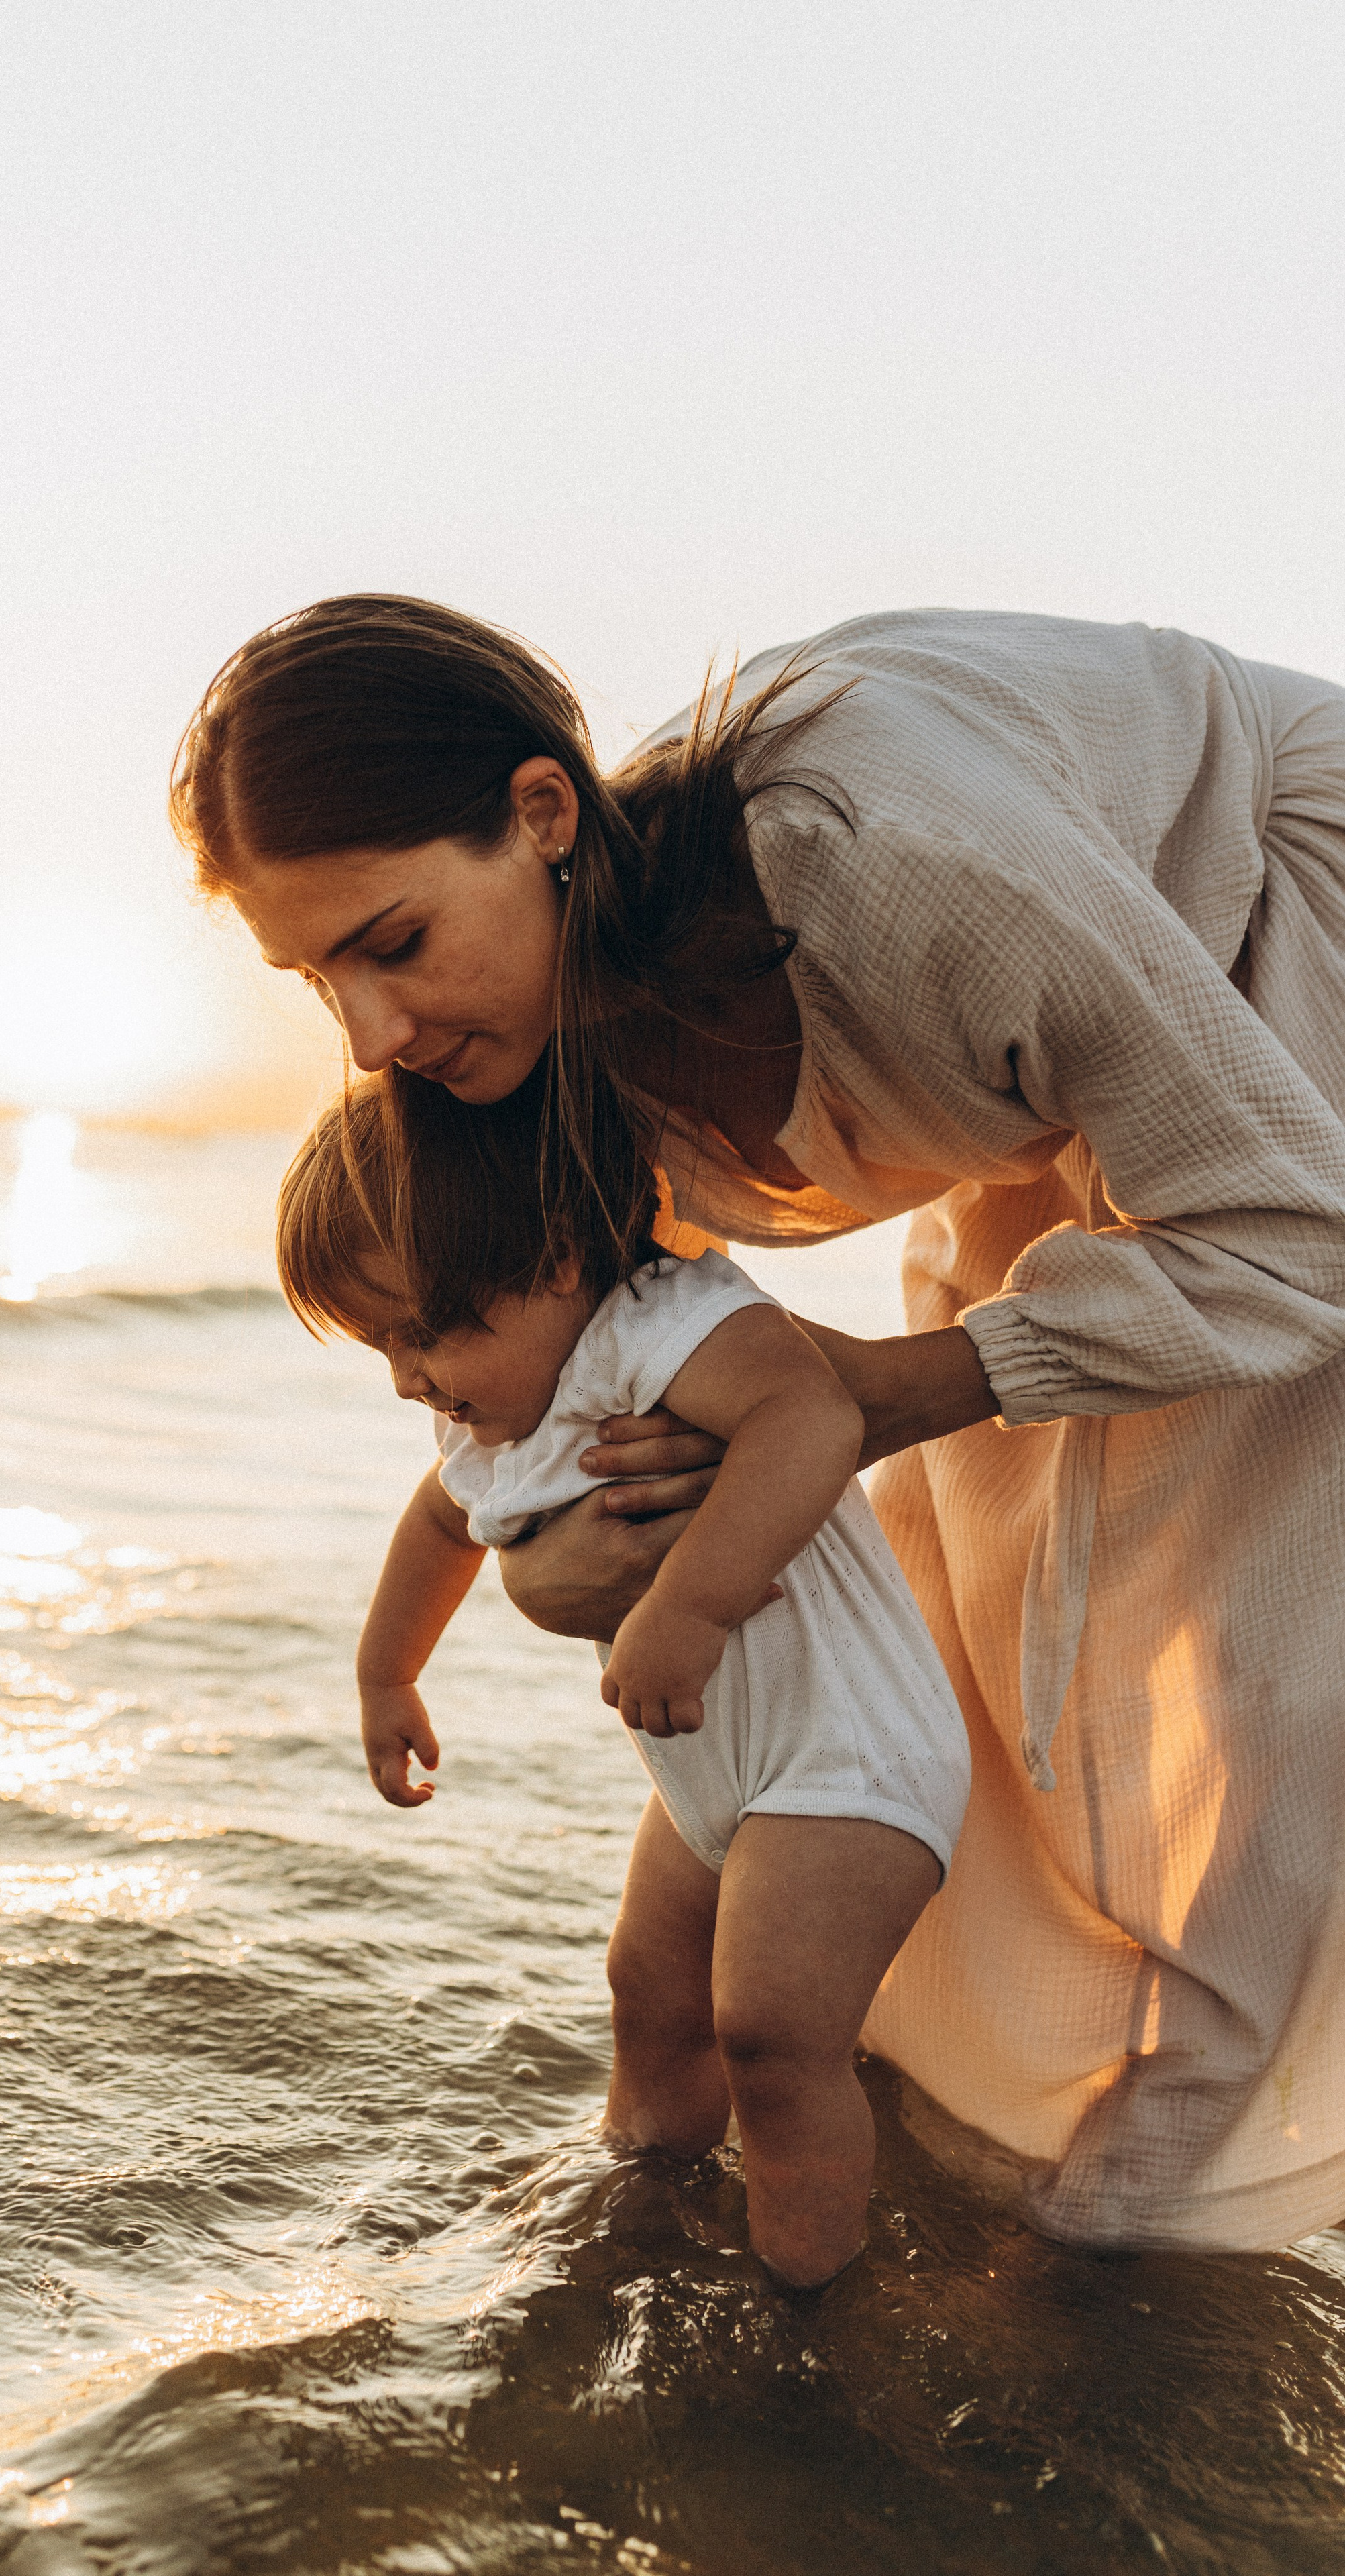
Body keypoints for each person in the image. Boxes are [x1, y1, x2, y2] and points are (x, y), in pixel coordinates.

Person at [172, 595, 1345, 2250]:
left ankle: (1149, 2232)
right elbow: (542, 1397)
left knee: (1244, 1652)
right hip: (1074, 1079)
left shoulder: (891, 859)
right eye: (314, 980)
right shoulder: (528, 1055)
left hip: (1291, 957)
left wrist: (888, 1390)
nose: (368, 1038)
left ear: (539, 816)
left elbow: (1297, 1236)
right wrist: (562, 1556)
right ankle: (932, 2120)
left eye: (393, 942)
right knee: (971, 1589)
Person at [273, 1069, 969, 2285]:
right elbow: (443, 1525)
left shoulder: (658, 1320)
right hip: (718, 1782)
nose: (404, 1377)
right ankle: (649, 2185)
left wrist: (690, 1607)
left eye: (423, 1331)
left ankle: (809, 2283)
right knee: (649, 1986)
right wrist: (387, 1676)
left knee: (771, 2032)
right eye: (383, 1343)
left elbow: (810, 1416)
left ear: (551, 1260)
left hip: (850, 1754)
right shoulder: (495, 1414)